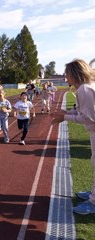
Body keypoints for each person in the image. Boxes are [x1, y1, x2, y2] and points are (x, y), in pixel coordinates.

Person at [52, 59, 95, 215]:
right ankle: (93, 194)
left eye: (67, 74)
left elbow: (89, 118)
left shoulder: (84, 90)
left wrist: (64, 118)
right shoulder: (87, 87)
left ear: (75, 74)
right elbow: (83, 112)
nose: (66, 77)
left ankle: (93, 203)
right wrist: (67, 113)